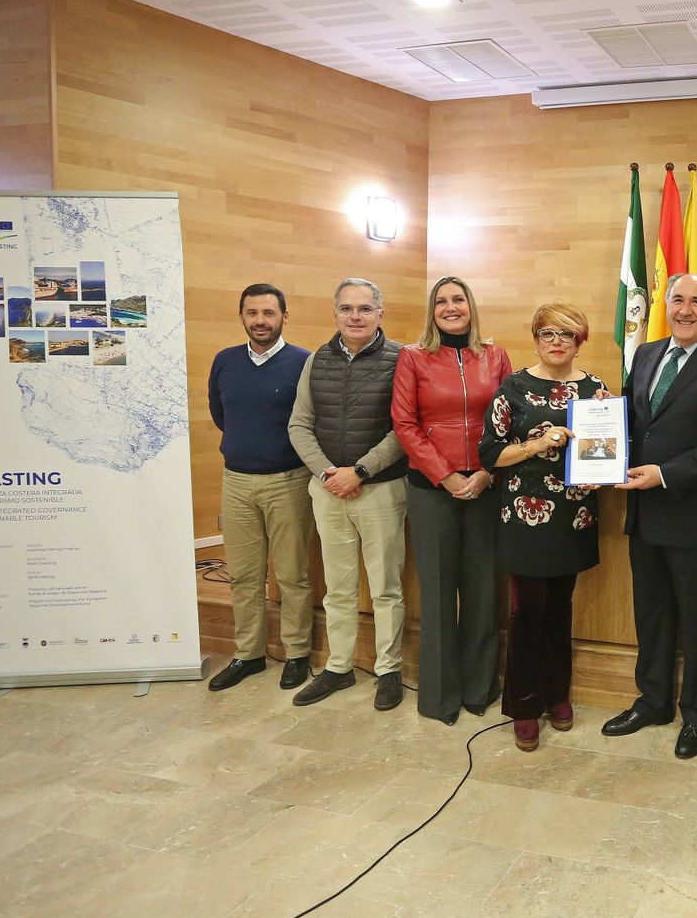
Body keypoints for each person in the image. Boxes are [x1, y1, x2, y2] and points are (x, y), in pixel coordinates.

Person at [603, 273, 697, 760]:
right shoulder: (646, 354)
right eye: (677, 301)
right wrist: (606, 417)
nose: (686, 309)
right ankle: (653, 702)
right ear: (664, 307)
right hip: (644, 515)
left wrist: (664, 474)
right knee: (651, 616)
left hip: (695, 517)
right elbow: (636, 420)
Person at [478, 303, 604, 751]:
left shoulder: (595, 390)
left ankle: (558, 695)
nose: (557, 342)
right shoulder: (513, 388)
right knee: (526, 614)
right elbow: (490, 455)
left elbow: (607, 448)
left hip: (573, 516)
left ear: (579, 342)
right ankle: (525, 706)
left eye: (567, 335)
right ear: (535, 338)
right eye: (548, 333)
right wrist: (536, 444)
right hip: (524, 518)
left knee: (559, 611)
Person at [391, 276, 511, 726]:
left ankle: (480, 688)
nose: (450, 307)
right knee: (438, 595)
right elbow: (405, 424)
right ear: (432, 310)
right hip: (431, 491)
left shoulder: (495, 356)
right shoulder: (413, 357)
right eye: (441, 301)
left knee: (481, 592)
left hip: (484, 488)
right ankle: (439, 696)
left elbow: (507, 419)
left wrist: (484, 472)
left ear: (471, 306)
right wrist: (445, 476)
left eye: (458, 299)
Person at [286, 278, 408, 711]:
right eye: (346, 309)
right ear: (334, 312)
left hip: (381, 489)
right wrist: (326, 473)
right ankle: (338, 667)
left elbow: (404, 429)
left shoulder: (401, 359)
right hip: (327, 490)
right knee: (337, 589)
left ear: (380, 312)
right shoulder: (316, 359)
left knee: (385, 588)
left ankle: (388, 669)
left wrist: (359, 471)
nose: (355, 316)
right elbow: (299, 424)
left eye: (364, 309)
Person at [206, 283, 316, 692]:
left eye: (269, 313)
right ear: (242, 317)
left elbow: (310, 421)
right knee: (244, 576)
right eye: (252, 313)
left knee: (291, 575)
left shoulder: (304, 362)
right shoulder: (225, 361)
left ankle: (298, 653)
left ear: (284, 317)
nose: (260, 321)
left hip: (287, 481)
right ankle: (248, 654)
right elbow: (221, 414)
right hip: (235, 481)